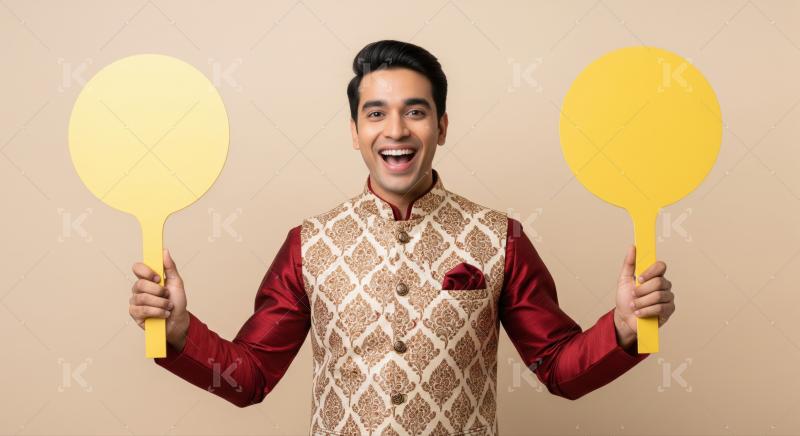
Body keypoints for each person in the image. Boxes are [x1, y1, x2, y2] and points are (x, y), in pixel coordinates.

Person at [128, 40, 675, 436]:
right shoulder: (308, 244)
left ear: (441, 125)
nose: (396, 130)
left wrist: (625, 327)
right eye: (376, 114)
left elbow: (559, 368)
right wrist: (179, 332)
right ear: (355, 131)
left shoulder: (500, 238)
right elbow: (249, 378)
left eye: (416, 112)